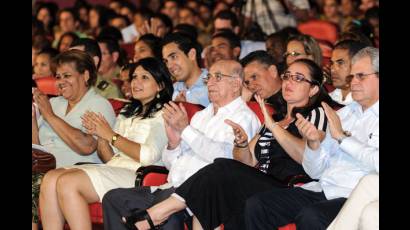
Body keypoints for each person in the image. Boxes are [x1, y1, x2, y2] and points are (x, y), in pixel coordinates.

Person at [123, 58, 339, 230]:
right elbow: (246, 160)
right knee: (216, 184)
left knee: (220, 168)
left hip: (288, 187)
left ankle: (158, 213)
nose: (289, 82)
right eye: (288, 76)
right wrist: (242, 143)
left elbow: (305, 155)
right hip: (258, 180)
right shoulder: (275, 118)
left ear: (313, 89)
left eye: (298, 78)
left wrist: (274, 128)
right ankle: (158, 213)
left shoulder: (316, 114)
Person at [102, 60, 261, 230]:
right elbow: (172, 165)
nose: (211, 82)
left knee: (169, 218)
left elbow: (225, 160)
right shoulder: (202, 115)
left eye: (218, 77)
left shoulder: (244, 118)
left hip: (199, 199)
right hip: (169, 188)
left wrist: (185, 129)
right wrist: (173, 144)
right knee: (113, 198)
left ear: (236, 84)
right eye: (209, 77)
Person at [244, 47, 379, 229]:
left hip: (354, 196)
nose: (353, 82)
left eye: (361, 76)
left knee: (311, 216)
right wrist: (313, 146)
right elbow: (315, 172)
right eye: (351, 76)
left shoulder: (338, 118)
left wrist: (342, 138)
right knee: (258, 205)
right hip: (323, 188)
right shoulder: (344, 115)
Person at [39, 57, 174, 230]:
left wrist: (110, 135)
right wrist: (100, 135)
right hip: (115, 168)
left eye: (144, 77)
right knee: (50, 178)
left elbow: (147, 156)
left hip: (141, 175)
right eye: (134, 77)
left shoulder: (165, 113)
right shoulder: (128, 111)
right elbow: (108, 157)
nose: (136, 82)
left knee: (67, 182)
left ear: (160, 85)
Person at [32, 49, 116, 230]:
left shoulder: (98, 104)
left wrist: (49, 116)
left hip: (79, 169)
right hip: (43, 169)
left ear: (85, 75)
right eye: (58, 76)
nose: (61, 82)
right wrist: (33, 118)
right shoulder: (55, 103)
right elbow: (37, 147)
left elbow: (87, 147)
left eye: (67, 76)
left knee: (43, 180)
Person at [162, 32, 210, 107]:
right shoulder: (172, 89)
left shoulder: (213, 84)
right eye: (166, 61)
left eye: (173, 57)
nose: (169, 66)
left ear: (192, 54)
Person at [329, 39, 367, 105]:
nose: (332, 69)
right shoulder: (327, 99)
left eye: (340, 63)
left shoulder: (369, 105)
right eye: (332, 63)